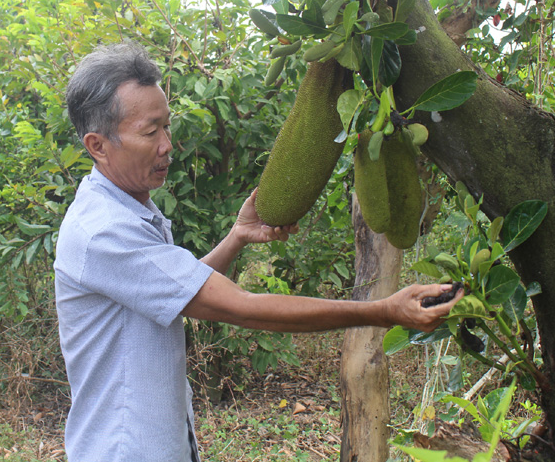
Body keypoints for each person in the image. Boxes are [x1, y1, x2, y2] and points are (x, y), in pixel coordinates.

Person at [54, 42, 462, 462]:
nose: (167, 145)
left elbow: (175, 292)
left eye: (167, 127)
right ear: (98, 145)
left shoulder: (128, 207)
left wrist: (236, 237)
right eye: (149, 132)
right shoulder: (103, 230)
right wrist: (383, 311)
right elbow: (243, 307)